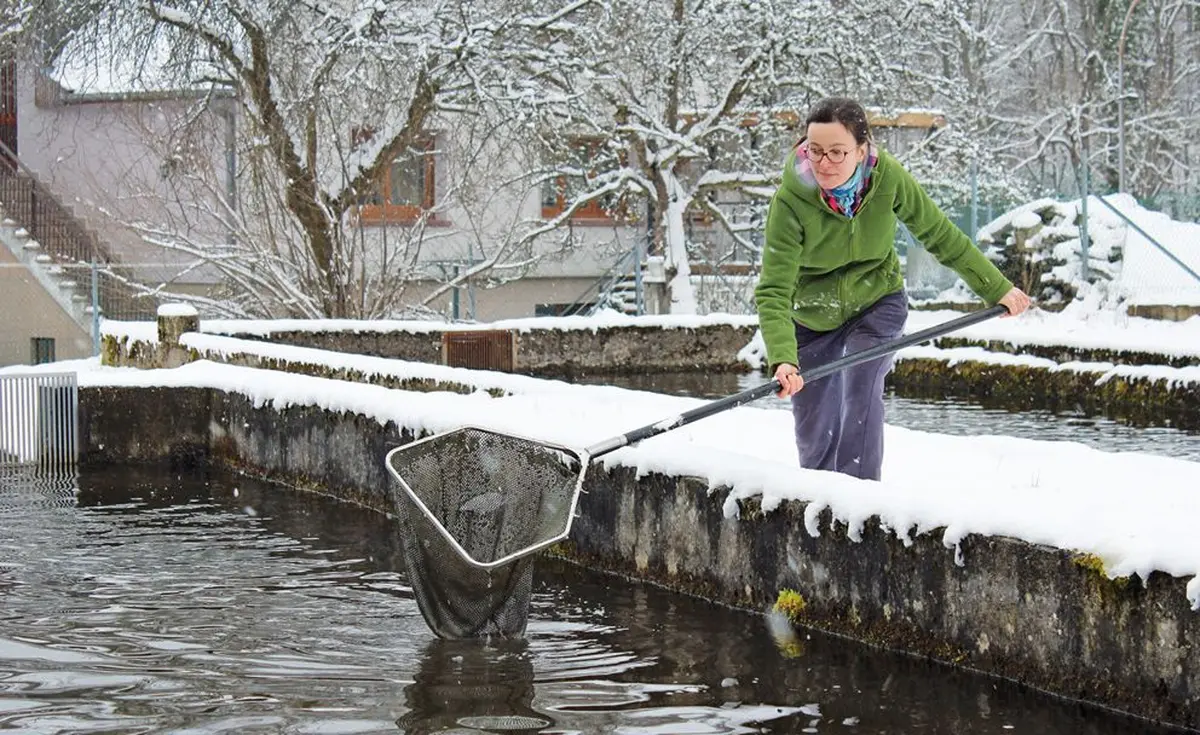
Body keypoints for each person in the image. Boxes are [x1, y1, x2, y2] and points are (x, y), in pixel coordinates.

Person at [754, 97, 1031, 481]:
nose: (824, 163)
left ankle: (860, 498)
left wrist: (996, 287)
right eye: (815, 151)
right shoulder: (791, 202)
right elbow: (774, 289)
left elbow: (939, 234)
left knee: (862, 381)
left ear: (862, 150)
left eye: (837, 152)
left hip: (876, 301)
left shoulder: (888, 179)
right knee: (815, 426)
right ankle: (816, 498)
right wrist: (784, 358)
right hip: (813, 313)